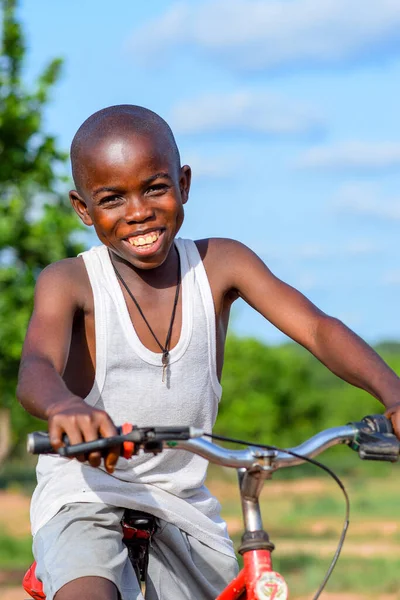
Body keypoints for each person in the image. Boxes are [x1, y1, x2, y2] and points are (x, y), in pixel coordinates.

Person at [17, 104, 400, 600]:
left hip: (183, 505)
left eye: (155, 188)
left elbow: (317, 329)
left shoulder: (221, 263)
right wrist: (65, 407)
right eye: (112, 198)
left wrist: (392, 393)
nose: (138, 212)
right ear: (84, 209)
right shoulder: (69, 281)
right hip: (86, 498)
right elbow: (36, 368)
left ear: (184, 184)